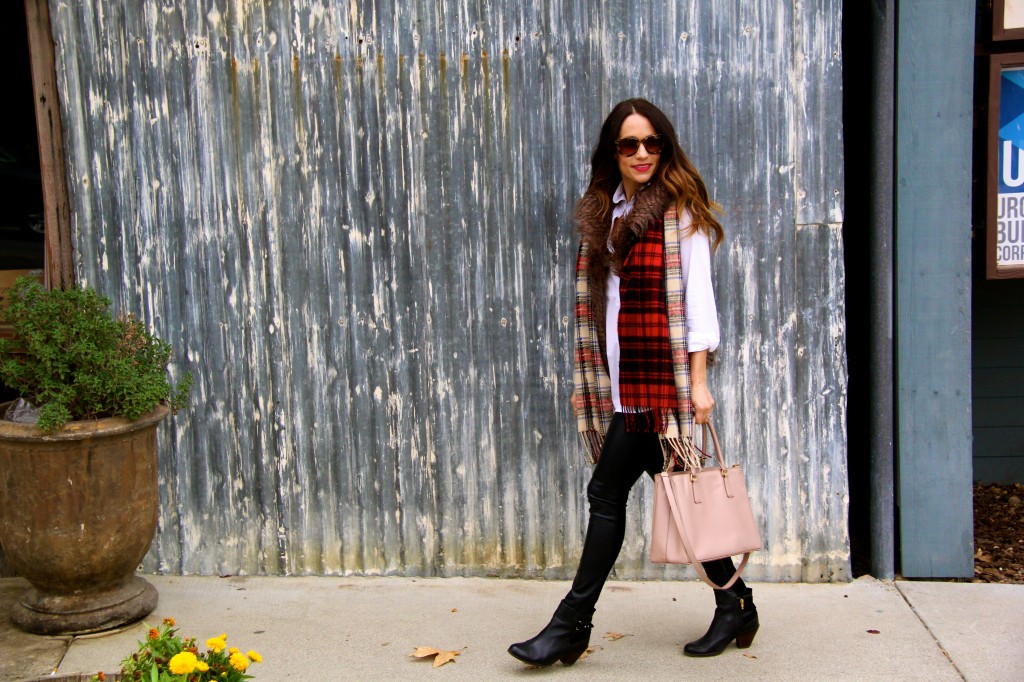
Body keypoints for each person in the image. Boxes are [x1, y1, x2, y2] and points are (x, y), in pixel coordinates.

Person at [507, 98, 758, 666]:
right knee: (678, 495)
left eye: (652, 143)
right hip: (620, 382)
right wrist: (591, 379)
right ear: (612, 153)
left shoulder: (680, 214)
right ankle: (736, 602)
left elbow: (699, 305)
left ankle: (571, 623)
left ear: (664, 148)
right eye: (629, 144)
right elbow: (598, 307)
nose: (642, 153)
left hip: (659, 388)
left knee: (605, 494)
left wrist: (697, 382)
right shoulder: (605, 215)